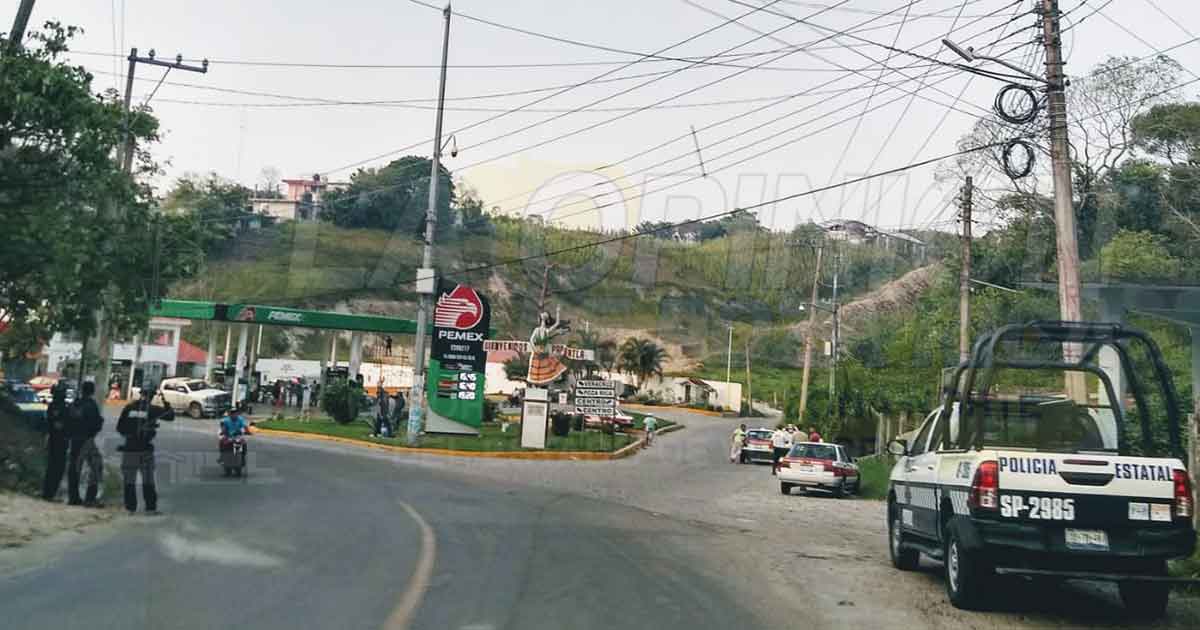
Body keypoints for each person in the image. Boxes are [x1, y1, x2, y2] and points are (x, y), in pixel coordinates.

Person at [116, 380, 175, 514]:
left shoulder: (129, 407)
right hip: (144, 449)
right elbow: (170, 415)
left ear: (141, 393)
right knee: (148, 479)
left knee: (129, 480)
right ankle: (150, 508)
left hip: (129, 447)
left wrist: (130, 434)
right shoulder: (153, 410)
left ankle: (130, 508)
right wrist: (165, 401)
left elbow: (120, 427)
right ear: (153, 395)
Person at [67, 381, 105, 506]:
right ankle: (90, 498)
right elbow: (96, 423)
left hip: (74, 439)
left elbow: (68, 420)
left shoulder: (75, 404)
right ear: (92, 391)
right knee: (96, 466)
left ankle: (73, 497)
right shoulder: (91, 405)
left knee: (74, 468)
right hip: (86, 440)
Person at [41, 383, 71, 501]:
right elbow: (60, 425)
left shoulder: (54, 406)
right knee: (57, 468)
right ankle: (50, 493)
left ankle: (48, 493)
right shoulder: (60, 407)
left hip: (55, 440)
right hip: (59, 441)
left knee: (53, 467)